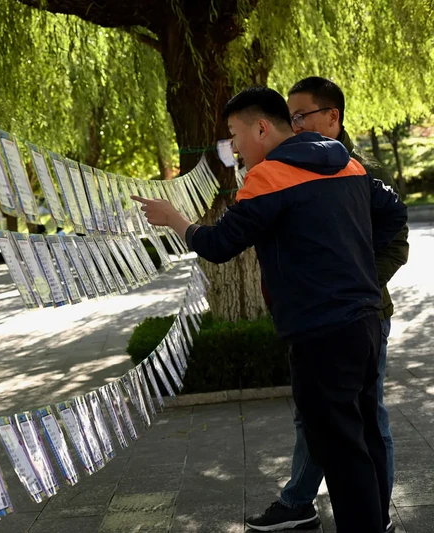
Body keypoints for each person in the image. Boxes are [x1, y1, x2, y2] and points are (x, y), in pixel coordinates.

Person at [132, 86, 407, 533]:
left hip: (320, 332)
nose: (234, 148)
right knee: (368, 439)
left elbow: (220, 245)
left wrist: (177, 220)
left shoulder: (270, 176)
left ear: (261, 127)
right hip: (367, 322)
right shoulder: (347, 162)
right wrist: (359, 270)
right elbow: (394, 213)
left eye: (235, 135)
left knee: (341, 451)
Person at [246, 77, 409, 532]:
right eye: (290, 117)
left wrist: (352, 277)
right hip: (320, 319)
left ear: (332, 117)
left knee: (366, 422)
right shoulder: (294, 166)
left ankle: (372, 518)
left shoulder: (355, 169)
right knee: (319, 421)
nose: (293, 125)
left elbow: (397, 235)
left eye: (301, 116)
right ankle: (300, 503)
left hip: (361, 315)